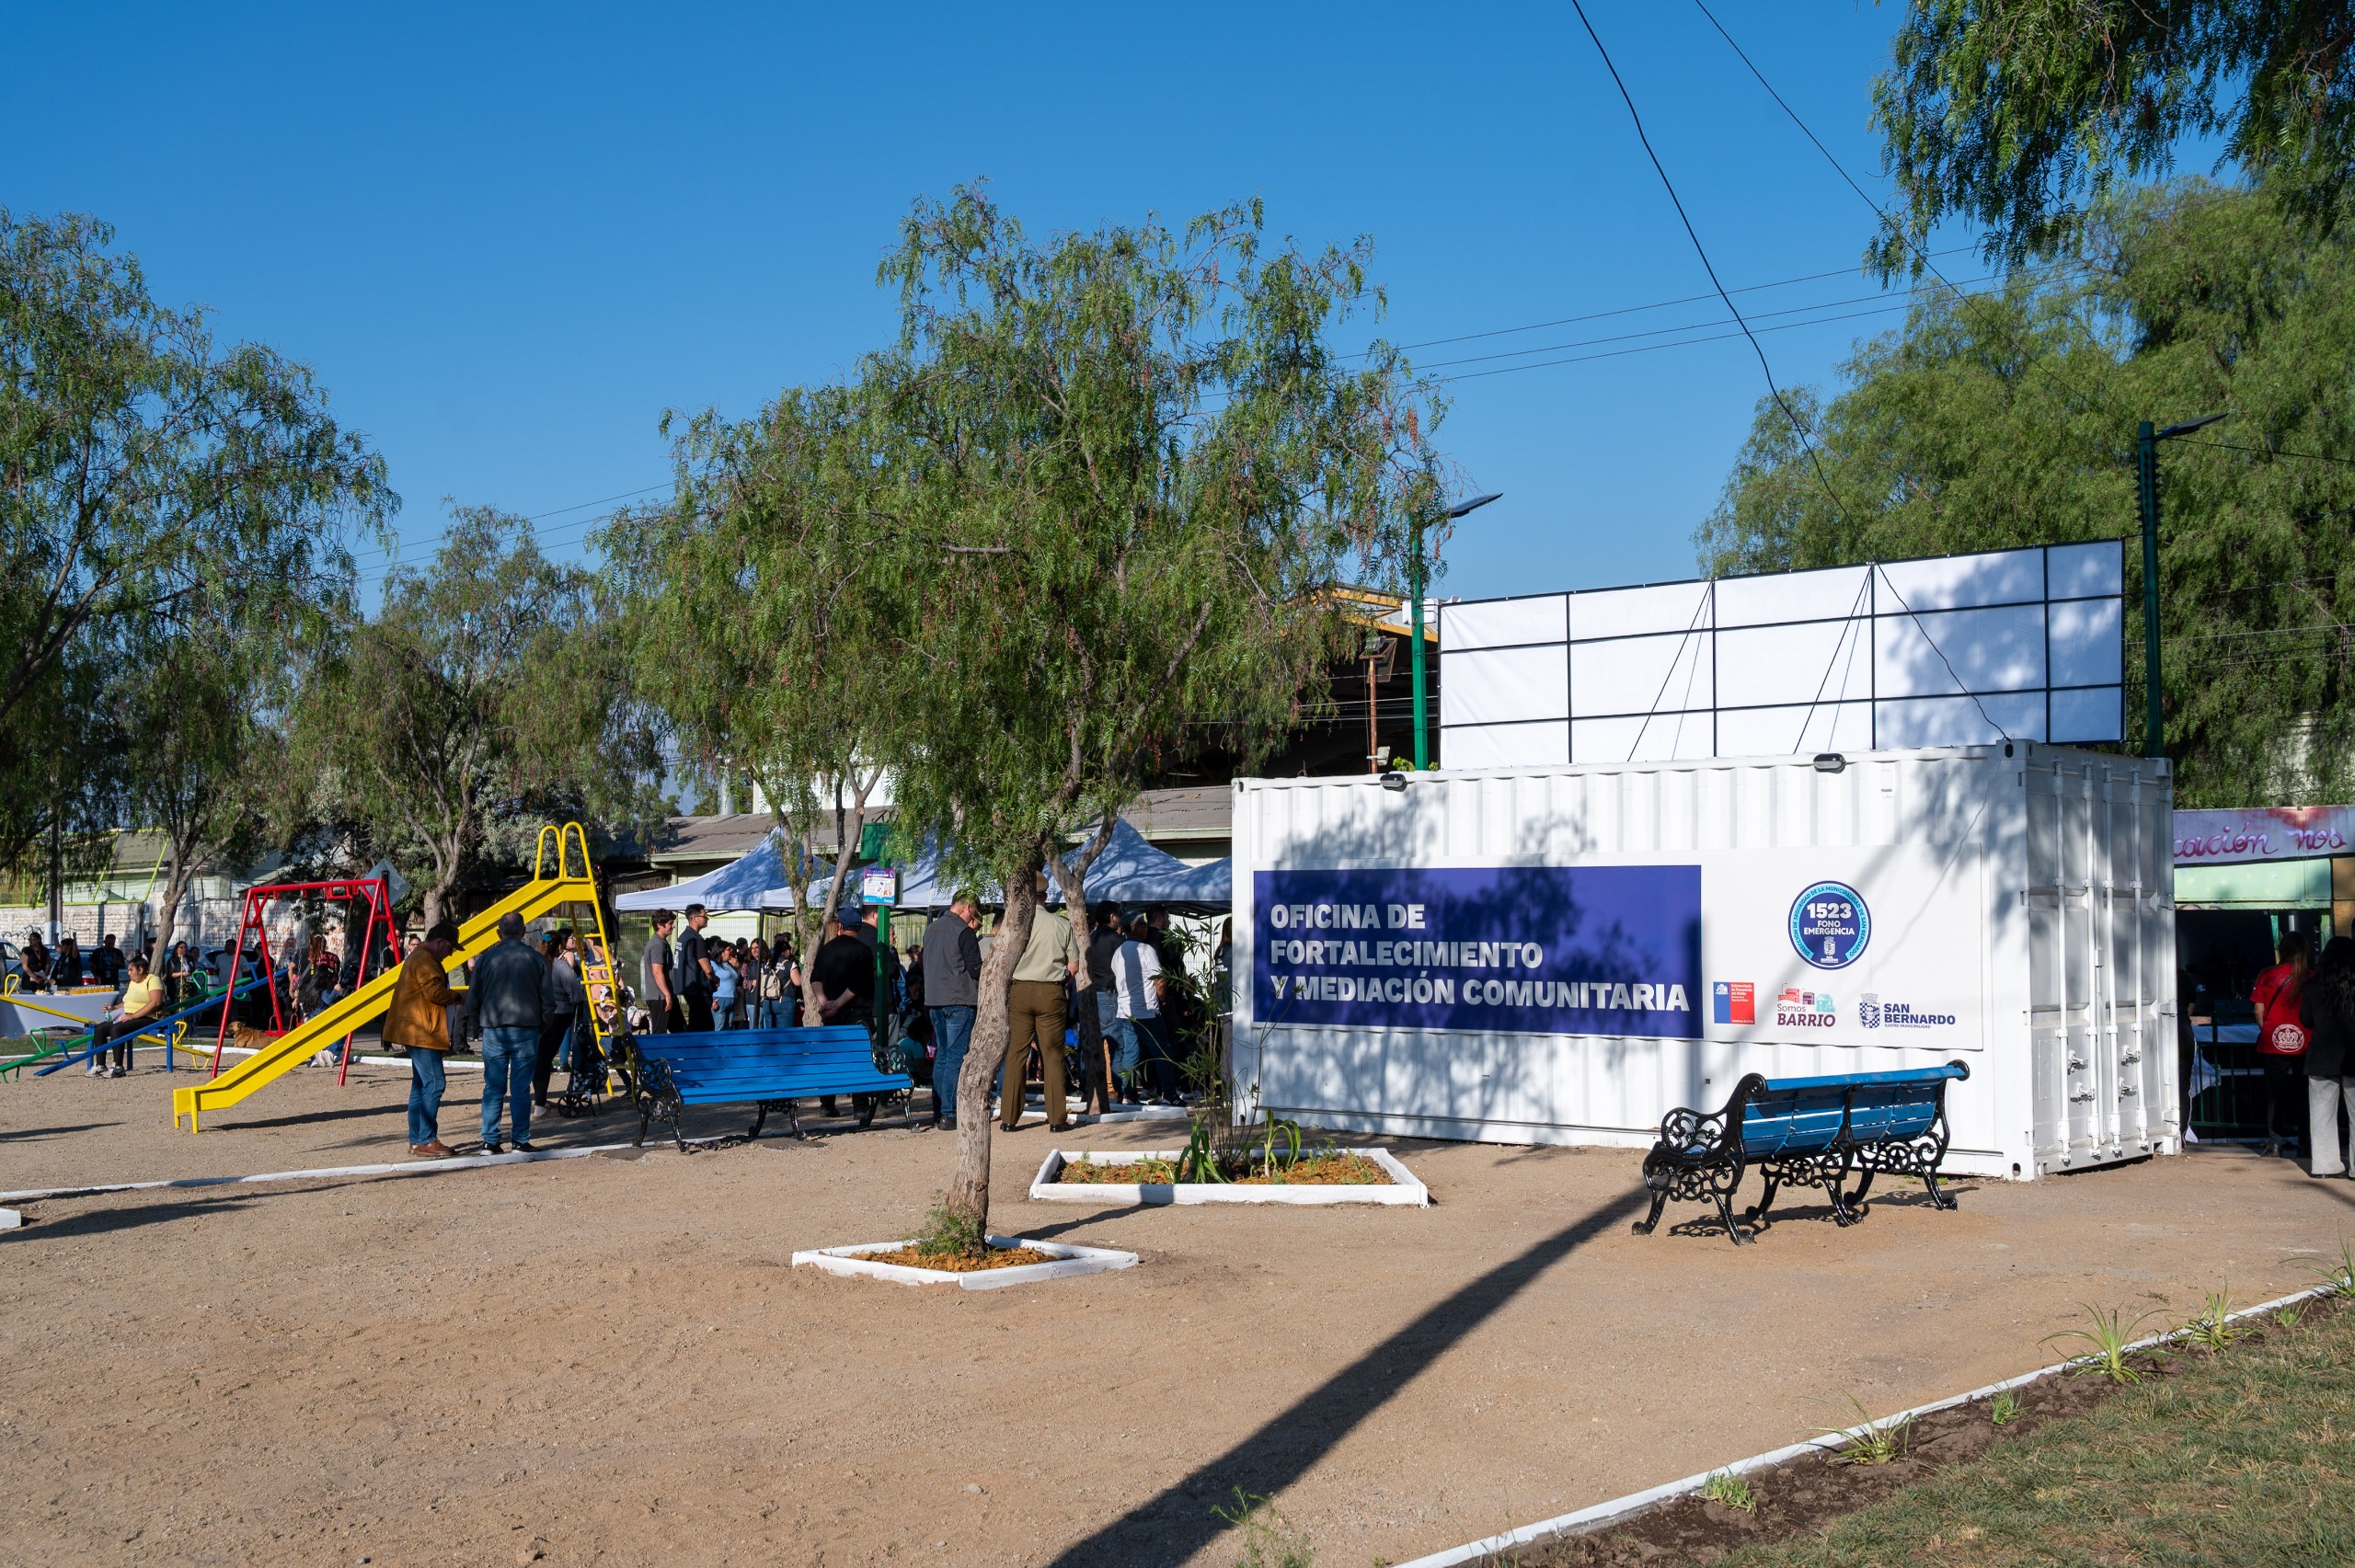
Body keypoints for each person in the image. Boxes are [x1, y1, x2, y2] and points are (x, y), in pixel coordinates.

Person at [468, 911, 549, 1153]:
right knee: (521, 1087)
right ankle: (520, 1139)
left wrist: (476, 1026)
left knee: (493, 1087)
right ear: (524, 932)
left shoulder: (485, 959)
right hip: (526, 1028)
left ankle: (490, 1140)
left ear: (498, 932)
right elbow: (548, 1001)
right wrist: (541, 1027)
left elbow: (473, 999)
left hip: (493, 1029)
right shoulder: (536, 959)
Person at [1004, 893, 1082, 1133]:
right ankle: (1056, 1119)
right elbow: (1074, 965)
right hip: (1051, 991)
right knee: (1052, 1055)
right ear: (1045, 897)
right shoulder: (1061, 924)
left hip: (1020, 990)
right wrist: (1062, 979)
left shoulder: (1014, 923)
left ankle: (1008, 1118)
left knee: (1017, 1053)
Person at [386, 921, 463, 1158]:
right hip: (422, 1031)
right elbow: (434, 993)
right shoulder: (426, 960)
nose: (450, 953)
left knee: (420, 1086)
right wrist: (457, 997)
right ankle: (426, 1139)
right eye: (450, 948)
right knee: (435, 1083)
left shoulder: (419, 957)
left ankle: (417, 1139)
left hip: (415, 1029)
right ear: (440, 942)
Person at [810, 910, 880, 1124]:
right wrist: (839, 1003)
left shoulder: (826, 949)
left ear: (840, 926)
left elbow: (815, 978)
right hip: (856, 1014)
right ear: (858, 927)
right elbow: (858, 985)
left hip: (831, 1016)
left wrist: (825, 1003)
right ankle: (860, 1107)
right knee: (858, 1059)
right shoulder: (864, 951)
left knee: (829, 1059)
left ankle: (827, 1104)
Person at [922, 896, 983, 1129]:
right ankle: (950, 1113)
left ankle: (938, 1111)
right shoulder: (963, 931)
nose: (973, 918)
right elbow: (975, 969)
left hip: (934, 1000)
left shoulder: (930, 930)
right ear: (966, 907)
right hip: (958, 1000)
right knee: (955, 1058)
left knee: (943, 1056)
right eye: (973, 912)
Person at [2253, 930, 2314, 1161]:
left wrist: (2269, 1030)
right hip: (2306, 1044)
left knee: (2274, 1095)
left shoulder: (2267, 975)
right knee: (2305, 1094)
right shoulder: (2312, 977)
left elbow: (2258, 1011)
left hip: (2273, 1044)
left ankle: (2275, 1143)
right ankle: (2305, 1144)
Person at [2303, 936, 2355, 1178]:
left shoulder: (2313, 986)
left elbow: (2305, 1020)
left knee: (2322, 1115)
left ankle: (2324, 1166)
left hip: (2321, 1056)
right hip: (2353, 1056)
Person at [1112, 916, 1167, 1104]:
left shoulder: (1118, 952)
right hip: (1147, 1011)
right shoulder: (1146, 950)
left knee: (1130, 1053)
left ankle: (1127, 1093)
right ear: (1135, 928)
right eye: (1143, 924)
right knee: (1161, 1052)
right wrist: (1162, 999)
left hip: (1125, 1011)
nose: (1146, 928)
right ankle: (1169, 1093)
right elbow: (1159, 979)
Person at [87, 953, 167, 1077]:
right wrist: (113, 1008)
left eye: (131, 970)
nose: (128, 973)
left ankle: (118, 1067)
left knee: (117, 1029)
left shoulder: (153, 980)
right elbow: (127, 1002)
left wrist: (134, 1016)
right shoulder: (133, 982)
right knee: (100, 1028)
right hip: (128, 1015)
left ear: (140, 969)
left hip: (149, 1018)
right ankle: (100, 1065)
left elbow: (155, 1003)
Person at [1084, 905, 1127, 1113]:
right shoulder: (1117, 941)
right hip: (1110, 994)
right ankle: (1121, 1089)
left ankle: (1088, 1087)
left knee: (1092, 1044)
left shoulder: (1091, 938)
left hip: (1092, 994)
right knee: (1117, 1043)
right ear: (1112, 917)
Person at [536, 931, 584, 1108]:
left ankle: (539, 1100)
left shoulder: (535, 964)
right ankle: (540, 1104)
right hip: (560, 1014)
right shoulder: (560, 966)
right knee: (545, 1059)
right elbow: (575, 993)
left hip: (538, 1015)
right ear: (559, 947)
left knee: (541, 1058)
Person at [674, 904, 716, 1032]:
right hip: (699, 989)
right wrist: (715, 979)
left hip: (688, 988)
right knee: (704, 1027)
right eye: (704, 916)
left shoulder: (682, 937)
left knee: (695, 1023)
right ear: (695, 918)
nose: (707, 919)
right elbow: (707, 969)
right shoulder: (696, 940)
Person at [641, 910, 679, 1034]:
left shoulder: (662, 942)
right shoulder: (658, 944)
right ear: (659, 925)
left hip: (665, 996)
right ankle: (655, 1054)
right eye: (670, 923)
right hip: (660, 997)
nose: (673, 926)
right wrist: (667, 994)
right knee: (659, 1033)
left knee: (681, 1031)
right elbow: (657, 972)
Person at [711, 935, 740, 1029]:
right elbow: (708, 981)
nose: (730, 952)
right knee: (720, 1028)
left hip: (732, 1000)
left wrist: (737, 965)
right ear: (721, 952)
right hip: (720, 1000)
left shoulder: (729, 965)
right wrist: (711, 1000)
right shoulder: (713, 964)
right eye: (728, 950)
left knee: (729, 1027)